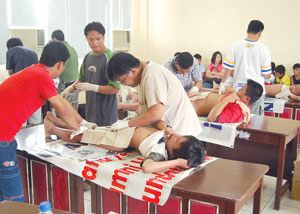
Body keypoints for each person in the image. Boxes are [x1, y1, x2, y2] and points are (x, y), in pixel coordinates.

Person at [0, 41, 97, 203]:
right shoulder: (42, 76)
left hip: (5, 135)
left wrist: (84, 123)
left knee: (4, 192)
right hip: (2, 137)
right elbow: (62, 109)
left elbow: (63, 103)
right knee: (14, 197)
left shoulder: (36, 71)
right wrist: (79, 131)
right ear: (60, 64)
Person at [44, 114, 206, 173]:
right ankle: (60, 122)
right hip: (127, 129)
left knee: (84, 136)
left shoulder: (160, 153)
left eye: (177, 140)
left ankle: (53, 129)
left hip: (122, 140)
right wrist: (166, 128)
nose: (176, 135)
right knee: (92, 129)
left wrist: (177, 162)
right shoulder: (168, 137)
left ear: (173, 153)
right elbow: (157, 120)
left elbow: (147, 167)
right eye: (180, 135)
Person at [107, 52, 202, 137]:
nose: (124, 84)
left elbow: (155, 114)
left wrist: (128, 124)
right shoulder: (143, 75)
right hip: (170, 129)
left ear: (133, 71)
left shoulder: (152, 75)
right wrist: (132, 118)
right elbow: (145, 107)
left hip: (180, 132)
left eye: (123, 80)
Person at [61, 22, 120, 126]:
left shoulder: (110, 58)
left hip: (106, 114)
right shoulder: (88, 57)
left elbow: (115, 88)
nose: (95, 42)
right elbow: (82, 79)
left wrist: (93, 87)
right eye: (91, 39)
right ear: (86, 39)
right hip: (91, 112)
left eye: (98, 38)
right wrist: (70, 88)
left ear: (104, 37)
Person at [219, 20, 272, 115]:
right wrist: (270, 76)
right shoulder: (264, 48)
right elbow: (265, 73)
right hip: (256, 92)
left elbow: (228, 68)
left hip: (239, 91)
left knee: (237, 118)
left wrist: (222, 84)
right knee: (255, 121)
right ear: (259, 34)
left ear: (247, 30)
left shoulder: (235, 45)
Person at [6, 38, 42, 127]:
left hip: (21, 88)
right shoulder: (33, 52)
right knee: (35, 120)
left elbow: (10, 73)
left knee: (21, 121)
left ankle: (22, 139)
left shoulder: (11, 51)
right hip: (35, 88)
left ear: (9, 47)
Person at [191, 79, 263, 123]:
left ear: (247, 98)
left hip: (192, 106)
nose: (238, 90)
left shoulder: (237, 112)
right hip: (198, 96)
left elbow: (211, 118)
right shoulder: (238, 99)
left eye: (241, 90)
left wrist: (226, 100)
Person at [51, 29, 79, 110]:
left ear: (55, 39)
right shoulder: (71, 48)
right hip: (75, 84)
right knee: (73, 111)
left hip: (66, 85)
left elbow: (55, 69)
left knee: (63, 112)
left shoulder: (60, 49)